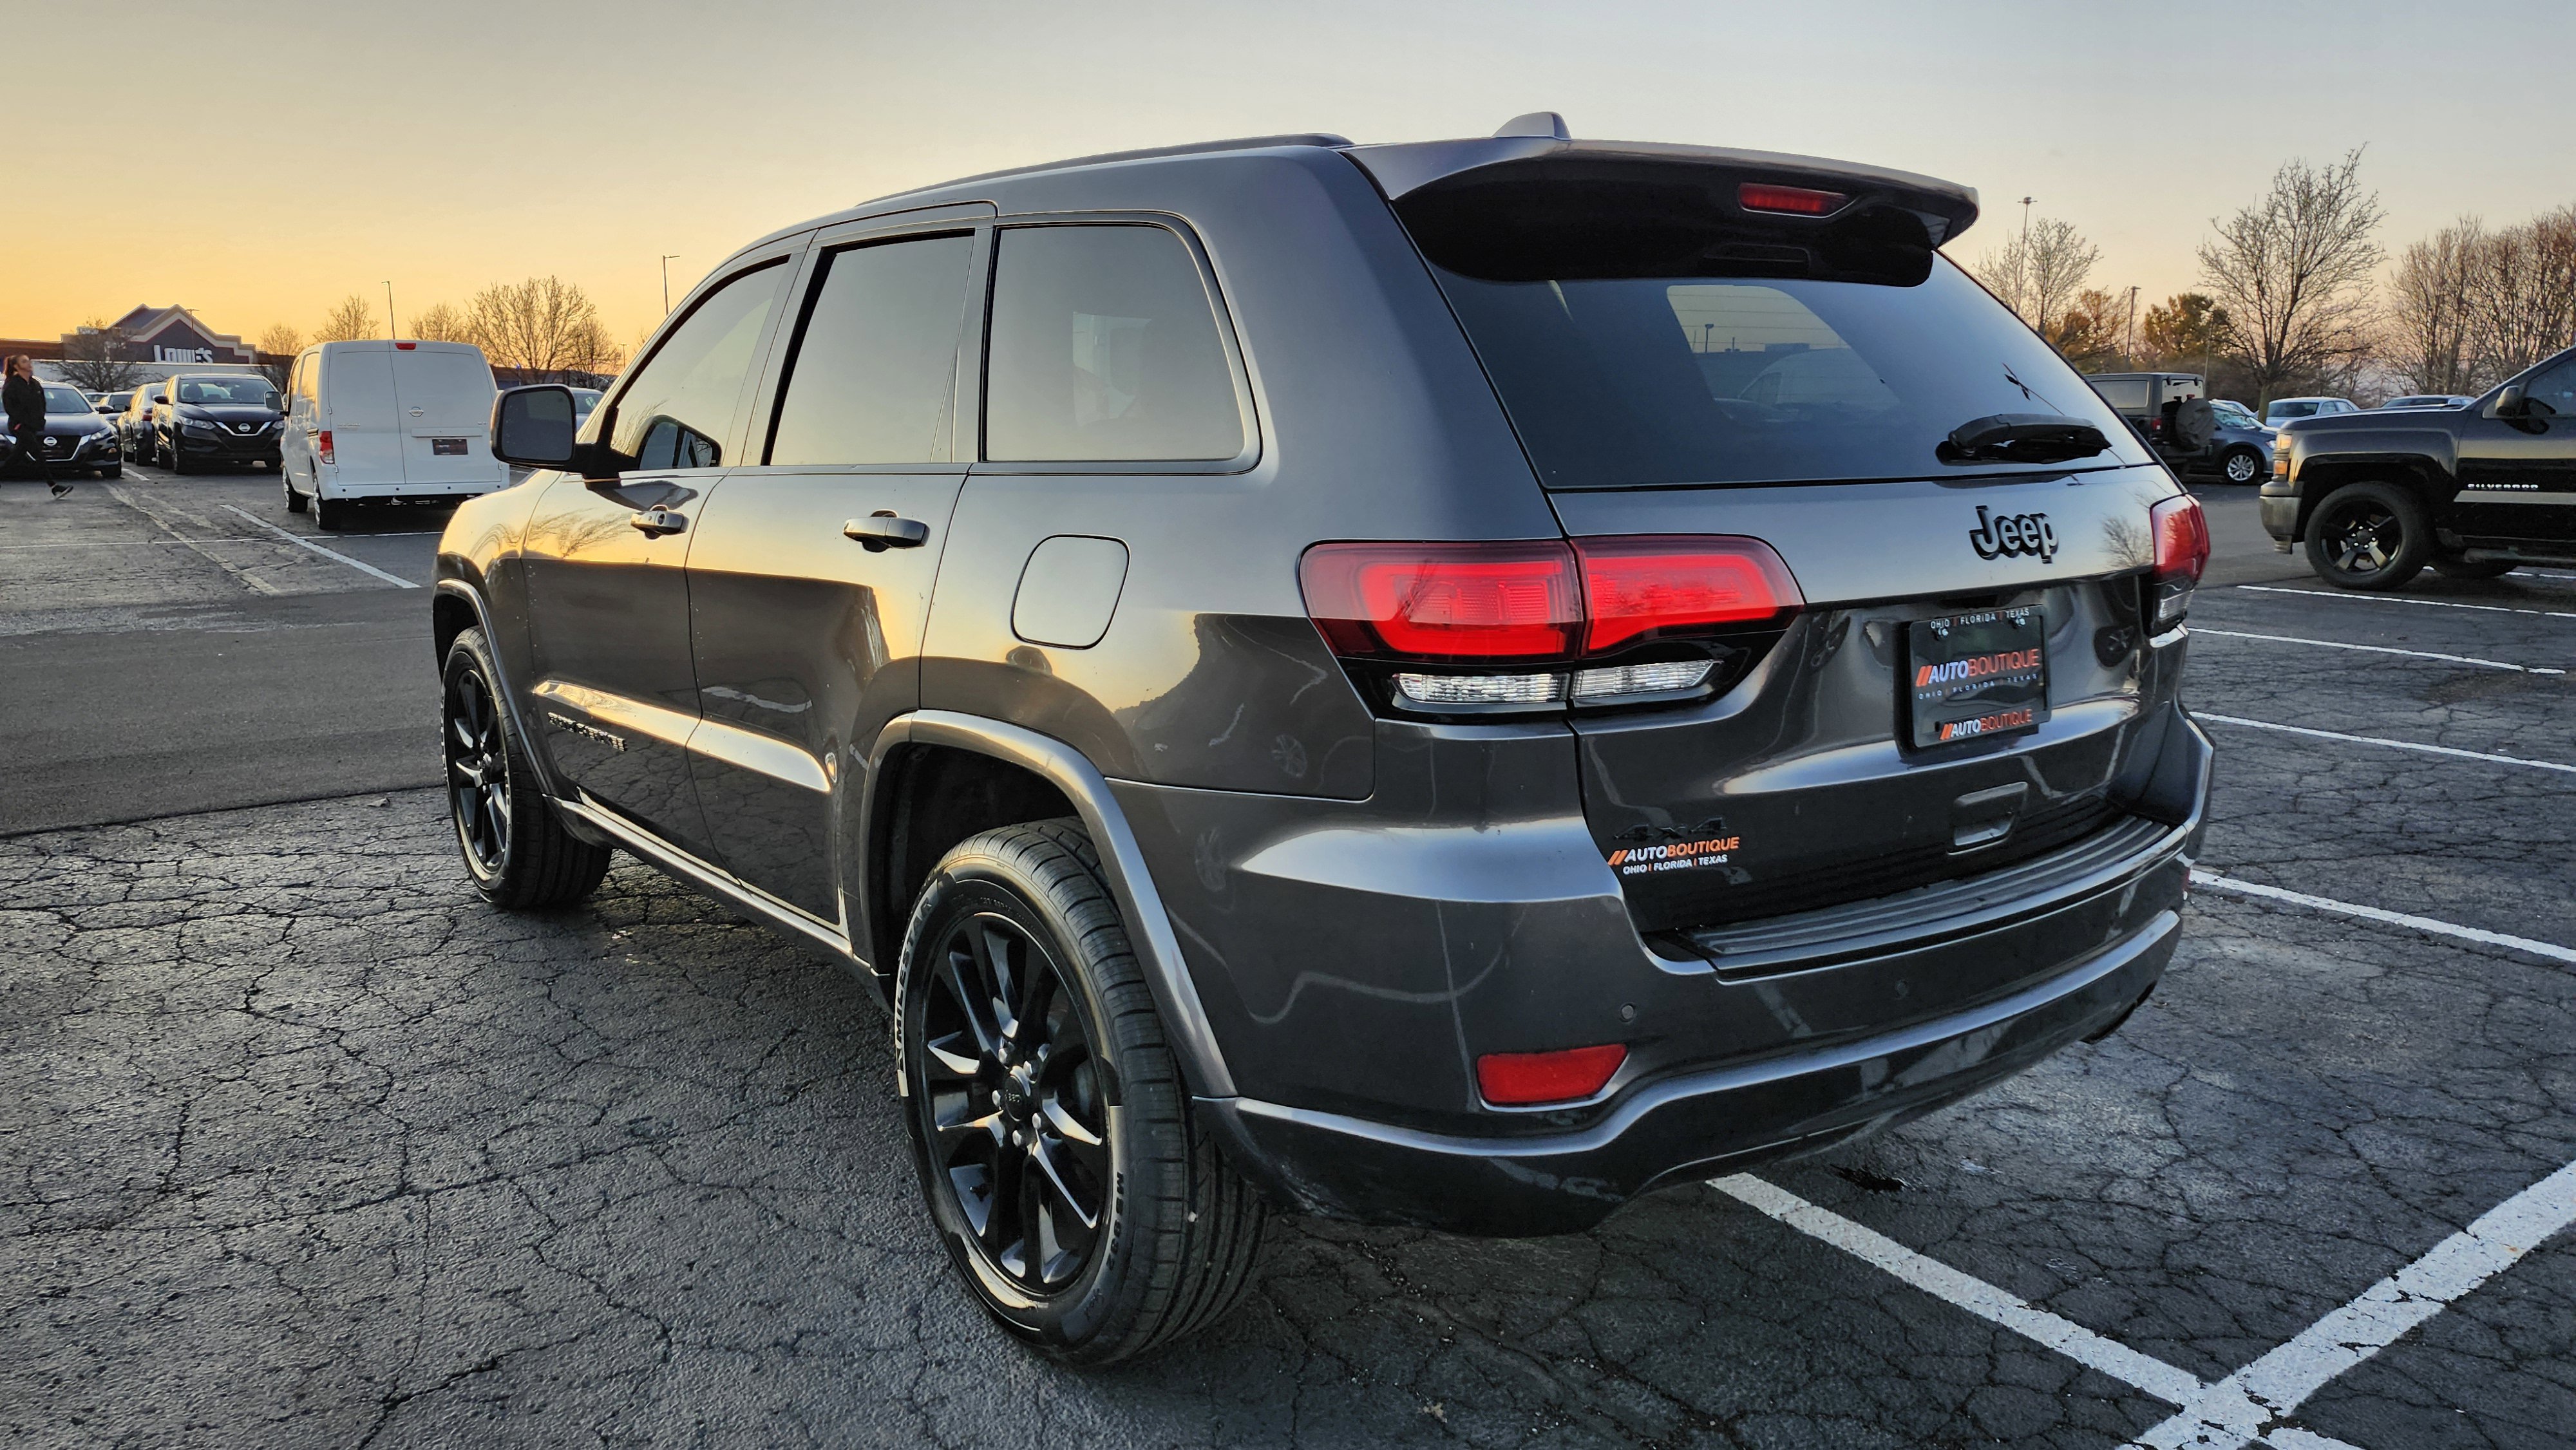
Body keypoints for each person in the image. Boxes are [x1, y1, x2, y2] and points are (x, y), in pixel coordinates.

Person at [3, 355, 71, 498]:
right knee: (39, 455)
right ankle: (54, 486)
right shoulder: (12, 384)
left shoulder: (35, 384)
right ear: (16, 366)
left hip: (34, 425)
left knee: (16, 456)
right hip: (19, 426)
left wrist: (40, 420)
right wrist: (21, 422)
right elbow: (10, 407)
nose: (28, 364)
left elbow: (42, 404)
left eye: (28, 361)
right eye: (24, 361)